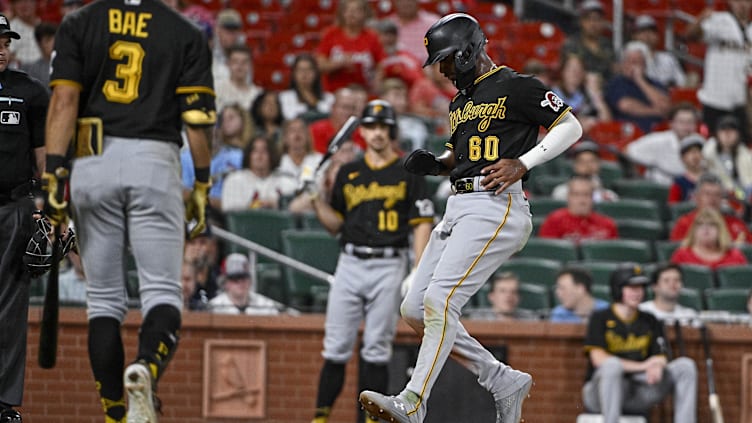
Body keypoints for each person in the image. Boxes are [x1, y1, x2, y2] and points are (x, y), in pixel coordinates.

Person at [359, 13, 583, 423]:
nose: (442, 70)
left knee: (439, 301)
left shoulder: (517, 86)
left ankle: (413, 401)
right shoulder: (460, 101)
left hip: (496, 203)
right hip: (459, 204)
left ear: (466, 51)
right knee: (413, 308)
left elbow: (570, 126)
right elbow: (461, 156)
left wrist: (524, 162)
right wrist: (438, 164)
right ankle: (500, 379)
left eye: (445, 59)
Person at [43, 1, 215, 421]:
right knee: (161, 291)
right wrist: (203, 184)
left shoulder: (79, 22)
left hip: (90, 159)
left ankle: (114, 412)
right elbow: (196, 120)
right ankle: (145, 368)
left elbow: (64, 101)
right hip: (155, 160)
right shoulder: (184, 31)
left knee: (102, 301)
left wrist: (53, 178)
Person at [308, 99, 434, 423]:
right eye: (372, 126)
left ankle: (369, 420)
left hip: (389, 263)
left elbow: (421, 222)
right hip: (350, 262)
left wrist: (418, 269)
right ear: (362, 131)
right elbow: (336, 224)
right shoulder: (349, 172)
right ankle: (320, 417)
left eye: (383, 127)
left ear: (391, 131)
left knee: (376, 350)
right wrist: (315, 197)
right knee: (335, 348)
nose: (377, 133)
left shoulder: (408, 170)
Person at [0, 14, 47, 422]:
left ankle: (3, 404)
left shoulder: (29, 91)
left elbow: (43, 159)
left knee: (11, 310)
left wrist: (52, 209)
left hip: (15, 209)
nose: (1, 49)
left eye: (5, 42)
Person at [583, 263, 698, 423]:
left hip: (638, 390)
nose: (637, 293)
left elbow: (661, 356)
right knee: (612, 366)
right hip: (600, 394)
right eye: (631, 288)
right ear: (618, 289)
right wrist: (644, 366)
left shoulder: (650, 319)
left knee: (685, 366)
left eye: (640, 288)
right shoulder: (600, 318)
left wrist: (657, 365)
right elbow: (599, 359)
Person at [685, 0, 752, 141]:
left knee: (742, 149)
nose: (742, 4)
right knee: (713, 145)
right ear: (730, 2)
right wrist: (701, 18)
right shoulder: (719, 20)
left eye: (746, 0)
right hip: (715, 98)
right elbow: (690, 35)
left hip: (741, 101)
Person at [314, 0, 385, 94]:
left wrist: (376, 83)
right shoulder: (330, 34)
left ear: (364, 13)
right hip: (333, 92)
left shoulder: (372, 37)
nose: (352, 14)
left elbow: (381, 65)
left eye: (357, 10)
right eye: (348, 10)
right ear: (342, 13)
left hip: (363, 92)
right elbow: (319, 65)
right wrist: (338, 63)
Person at [624, 102, 700, 185]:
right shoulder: (657, 140)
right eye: (681, 122)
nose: (686, 126)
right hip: (658, 189)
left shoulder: (701, 143)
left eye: (690, 122)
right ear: (671, 124)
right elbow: (627, 151)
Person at [604, 41, 671, 134]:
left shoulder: (655, 83)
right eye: (629, 61)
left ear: (645, 65)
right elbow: (625, 105)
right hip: (628, 131)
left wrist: (640, 81)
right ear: (623, 63)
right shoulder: (616, 83)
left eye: (637, 62)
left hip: (657, 130)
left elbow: (664, 107)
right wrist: (656, 111)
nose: (633, 66)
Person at [221, 135, 297, 211]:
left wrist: (275, 203)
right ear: (249, 155)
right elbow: (230, 214)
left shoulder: (286, 181)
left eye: (264, 151)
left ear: (272, 155)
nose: (259, 155)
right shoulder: (234, 180)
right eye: (255, 151)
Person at [670, 173, 752, 243]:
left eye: (717, 194)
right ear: (696, 197)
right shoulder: (684, 224)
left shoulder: (736, 223)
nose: (712, 199)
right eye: (707, 194)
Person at [539, 176, 619, 243]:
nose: (581, 200)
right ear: (568, 197)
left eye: (586, 194)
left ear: (592, 198)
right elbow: (548, 252)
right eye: (576, 194)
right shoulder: (554, 220)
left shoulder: (607, 224)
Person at [551, 53, 612, 134]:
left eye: (579, 69)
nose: (575, 73)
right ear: (563, 71)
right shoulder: (553, 94)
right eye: (571, 69)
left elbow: (607, 121)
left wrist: (595, 94)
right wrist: (579, 123)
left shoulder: (587, 94)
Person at [670, 208, 748, 270]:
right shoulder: (681, 256)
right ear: (693, 230)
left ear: (721, 230)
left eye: (712, 224)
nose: (706, 228)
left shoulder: (735, 256)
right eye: (700, 224)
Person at [208, 253, 282, 315]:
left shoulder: (266, 305)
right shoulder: (214, 306)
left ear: (250, 280)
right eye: (235, 278)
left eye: (244, 277)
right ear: (226, 282)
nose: (240, 282)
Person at [560, 0, 616, 82]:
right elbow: (570, 72)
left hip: (606, 89)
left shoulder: (607, 44)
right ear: (581, 21)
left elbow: (613, 69)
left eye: (597, 19)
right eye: (588, 19)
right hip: (580, 88)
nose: (593, 24)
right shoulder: (572, 43)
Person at [702, 114, 752, 200]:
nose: (727, 134)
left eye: (731, 130)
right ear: (717, 134)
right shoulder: (710, 151)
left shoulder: (745, 153)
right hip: (721, 196)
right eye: (723, 130)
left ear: (738, 134)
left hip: (743, 194)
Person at [630, 14, 687, 89]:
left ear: (657, 36)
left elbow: (682, 83)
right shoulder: (630, 58)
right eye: (642, 31)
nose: (647, 35)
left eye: (651, 31)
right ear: (634, 36)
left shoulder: (668, 59)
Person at [551, 140, 618, 203]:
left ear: (598, 164)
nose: (587, 165)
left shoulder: (609, 196)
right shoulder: (562, 192)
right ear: (575, 165)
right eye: (582, 161)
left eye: (592, 161)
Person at [309, 85, 367, 153]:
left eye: (352, 108)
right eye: (344, 107)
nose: (348, 112)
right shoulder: (316, 130)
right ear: (333, 107)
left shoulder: (362, 133)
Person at [278, 53, 334, 121]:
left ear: (316, 73)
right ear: (293, 74)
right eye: (300, 69)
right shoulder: (284, 97)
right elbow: (290, 117)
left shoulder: (329, 98)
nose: (304, 73)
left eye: (309, 69)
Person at [466, 272, 540, 321]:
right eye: (502, 291)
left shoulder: (531, 320)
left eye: (513, 292)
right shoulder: (477, 319)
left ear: (519, 297)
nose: (508, 296)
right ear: (491, 296)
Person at [386, 0, 439, 65]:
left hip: (428, 68)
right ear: (395, 2)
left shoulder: (433, 23)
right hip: (397, 69)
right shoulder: (388, 25)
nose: (406, 3)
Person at [213, 44, 262, 112]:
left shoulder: (257, 94)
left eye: (244, 62)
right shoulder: (216, 88)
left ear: (250, 65)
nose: (240, 66)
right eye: (235, 61)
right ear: (228, 64)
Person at [668, 134, 706, 204]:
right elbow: (673, 208)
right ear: (683, 158)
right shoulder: (679, 182)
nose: (695, 155)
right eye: (690, 152)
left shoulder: (712, 179)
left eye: (698, 151)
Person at [19, 21, 54, 87]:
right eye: (48, 40)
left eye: (55, 39)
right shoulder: (33, 70)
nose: (53, 44)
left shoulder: (67, 65)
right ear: (39, 44)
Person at [7, 0, 39, 66]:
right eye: (19, 1)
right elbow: (6, 55)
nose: (24, 5)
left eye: (28, 0)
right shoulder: (10, 29)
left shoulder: (45, 25)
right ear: (13, 6)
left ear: (35, 3)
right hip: (23, 72)